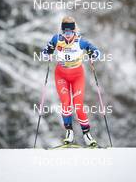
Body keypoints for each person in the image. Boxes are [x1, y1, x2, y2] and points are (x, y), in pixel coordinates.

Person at [43, 16, 100, 146]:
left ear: (74, 31)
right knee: (66, 102)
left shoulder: (80, 41)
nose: (67, 35)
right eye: (65, 32)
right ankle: (69, 131)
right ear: (62, 32)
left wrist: (93, 55)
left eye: (70, 32)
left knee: (78, 105)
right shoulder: (57, 39)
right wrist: (47, 54)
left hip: (77, 76)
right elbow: (45, 51)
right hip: (61, 75)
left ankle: (87, 135)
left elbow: (97, 51)